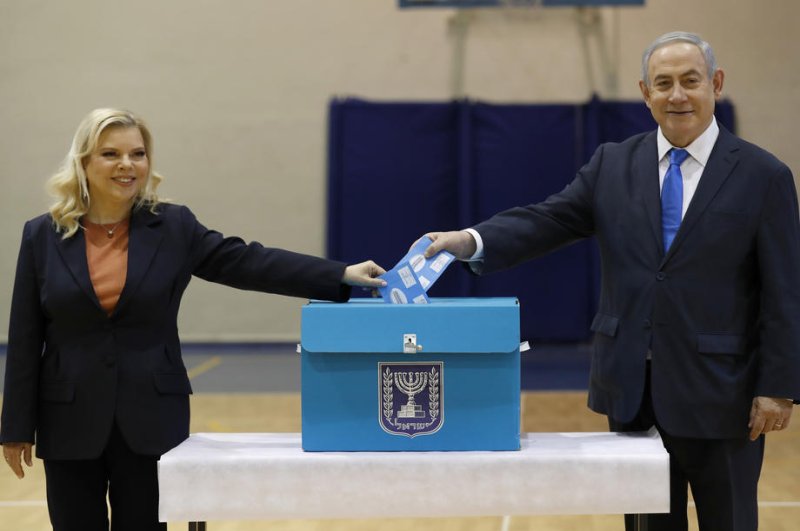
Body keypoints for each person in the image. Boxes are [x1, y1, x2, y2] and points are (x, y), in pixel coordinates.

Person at [420, 31, 800, 531]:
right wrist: (471, 239)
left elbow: (785, 291)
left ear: (716, 84)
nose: (677, 95)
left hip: (722, 395)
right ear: (645, 93)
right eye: (663, 84)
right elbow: (546, 220)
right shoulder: (612, 164)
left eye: (690, 80)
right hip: (632, 391)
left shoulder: (763, 175)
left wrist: (778, 387)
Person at [0, 108, 387, 531]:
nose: (127, 165)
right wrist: (16, 425)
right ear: (84, 162)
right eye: (110, 154)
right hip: (68, 420)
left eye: (138, 153)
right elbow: (24, 335)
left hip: (150, 417)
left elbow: (248, 262)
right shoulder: (42, 235)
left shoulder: (174, 227)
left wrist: (338, 274)